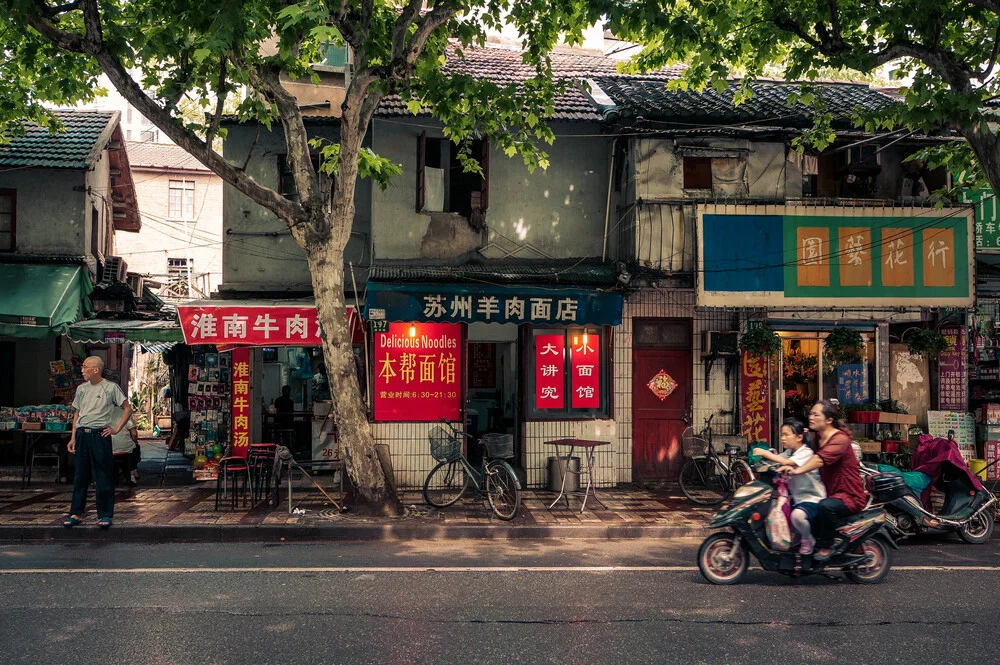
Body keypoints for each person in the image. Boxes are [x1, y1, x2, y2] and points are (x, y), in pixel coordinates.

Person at [784, 399, 867, 560]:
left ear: (829, 420)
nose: (811, 417)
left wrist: (796, 471)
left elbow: (819, 460)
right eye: (811, 414)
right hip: (829, 491)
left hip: (848, 495)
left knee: (825, 507)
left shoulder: (839, 439)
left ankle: (827, 545)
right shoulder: (817, 438)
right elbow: (802, 451)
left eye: (816, 414)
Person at [63, 356, 133, 529]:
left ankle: (105, 514)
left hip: (99, 435)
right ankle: (76, 513)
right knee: (80, 475)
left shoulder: (110, 388)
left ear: (96, 369)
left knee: (103, 476)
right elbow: (77, 414)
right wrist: (73, 437)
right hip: (82, 435)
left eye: (85, 367)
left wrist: (116, 429)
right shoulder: (81, 389)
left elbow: (128, 408)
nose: (82, 370)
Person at [754, 419, 827, 555]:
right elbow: (778, 459)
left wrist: (765, 453)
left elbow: (787, 462)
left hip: (811, 498)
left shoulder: (806, 452)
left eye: (787, 435)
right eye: (781, 435)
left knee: (797, 517)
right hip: (796, 497)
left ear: (799, 437)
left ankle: (807, 538)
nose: (783, 438)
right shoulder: (790, 452)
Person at [110, 405, 140, 486]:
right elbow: (134, 434)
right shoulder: (125, 413)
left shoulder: (103, 413)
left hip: (108, 447)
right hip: (124, 447)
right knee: (135, 448)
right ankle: (132, 475)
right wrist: (135, 442)